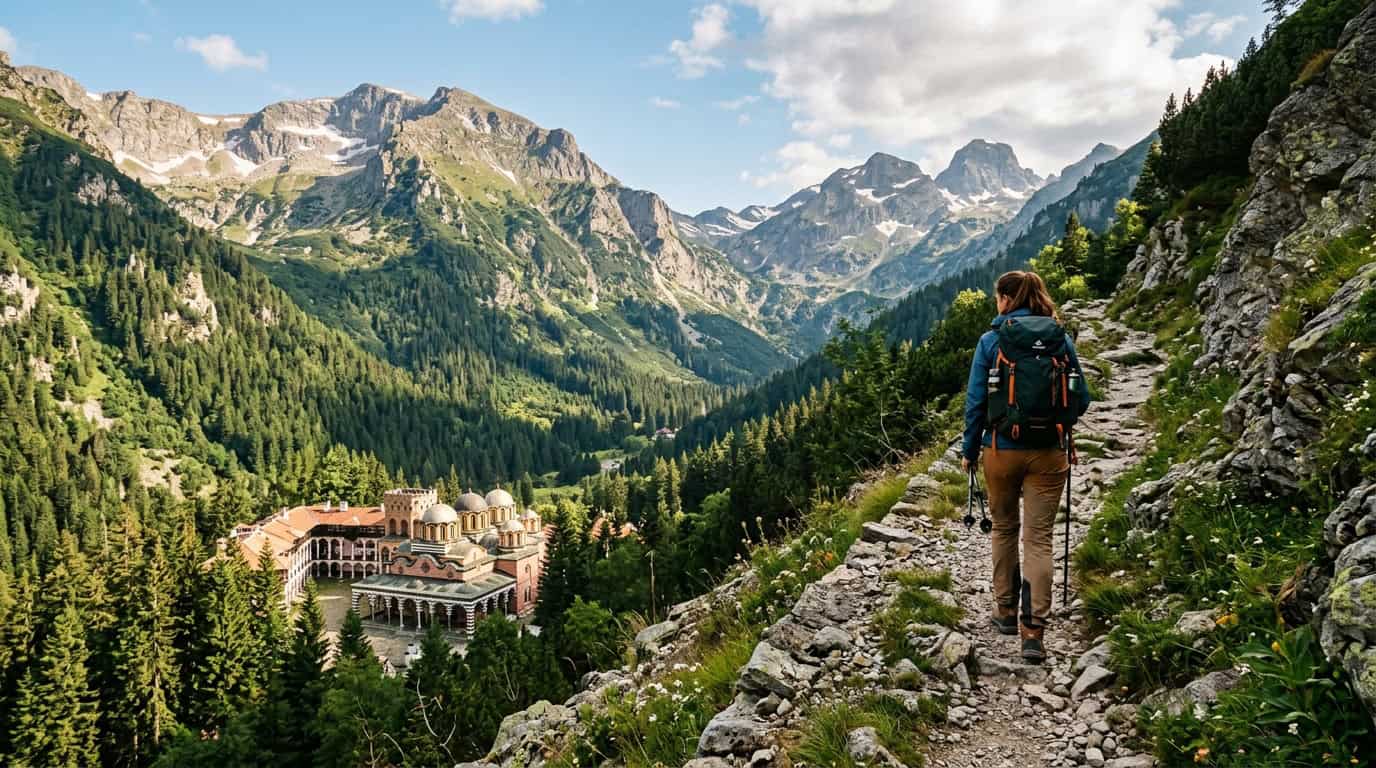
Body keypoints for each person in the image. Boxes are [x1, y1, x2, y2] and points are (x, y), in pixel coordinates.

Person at [960, 271, 1089, 663]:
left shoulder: (992, 341)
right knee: (1039, 537)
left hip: (1001, 449)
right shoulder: (1060, 339)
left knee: (1004, 528)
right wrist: (1060, 428)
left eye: (997, 297)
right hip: (1049, 452)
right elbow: (1081, 397)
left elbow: (976, 401)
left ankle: (1004, 612)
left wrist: (969, 449)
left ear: (1006, 298)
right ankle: (1033, 633)